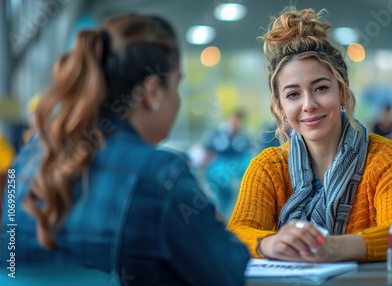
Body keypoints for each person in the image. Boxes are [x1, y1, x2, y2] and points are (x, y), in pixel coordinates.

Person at [1, 13, 249, 285]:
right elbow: (229, 276)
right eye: (177, 84)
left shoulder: (31, 158)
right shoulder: (162, 174)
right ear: (152, 91)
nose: (177, 100)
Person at [227, 7, 392, 263]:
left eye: (321, 88)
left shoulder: (384, 157)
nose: (308, 104)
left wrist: (327, 247)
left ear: (342, 90)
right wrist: (270, 243)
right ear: (281, 106)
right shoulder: (266, 169)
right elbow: (236, 233)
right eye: (293, 94)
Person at [200, 109, 253, 220]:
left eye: (239, 121)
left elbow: (247, 155)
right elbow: (206, 152)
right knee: (220, 194)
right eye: (234, 120)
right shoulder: (217, 134)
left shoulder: (243, 138)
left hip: (234, 168)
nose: (236, 123)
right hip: (219, 168)